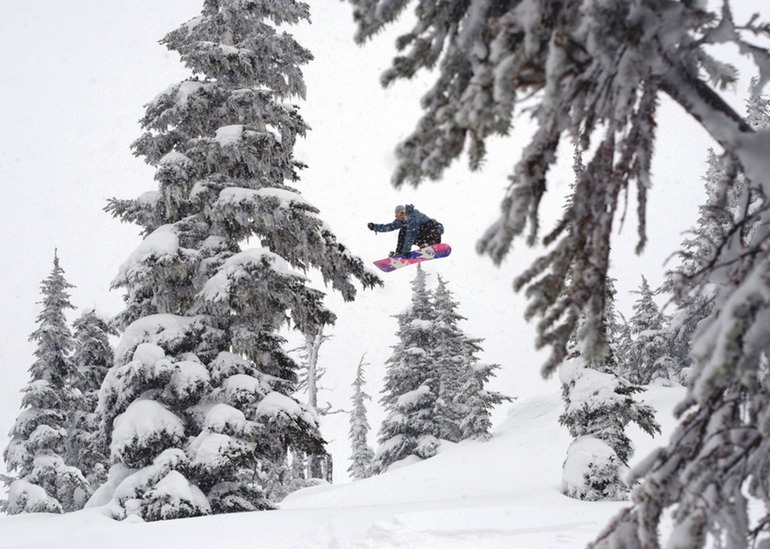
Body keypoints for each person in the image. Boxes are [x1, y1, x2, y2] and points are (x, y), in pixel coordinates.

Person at [367, 204, 444, 256]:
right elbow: (389, 226)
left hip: (434, 235)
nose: (402, 216)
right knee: (403, 230)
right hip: (422, 238)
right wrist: (375, 227)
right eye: (399, 215)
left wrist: (406, 250)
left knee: (426, 225)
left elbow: (411, 234)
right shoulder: (402, 221)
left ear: (406, 211)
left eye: (402, 213)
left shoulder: (413, 216)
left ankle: (430, 244)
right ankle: (399, 253)